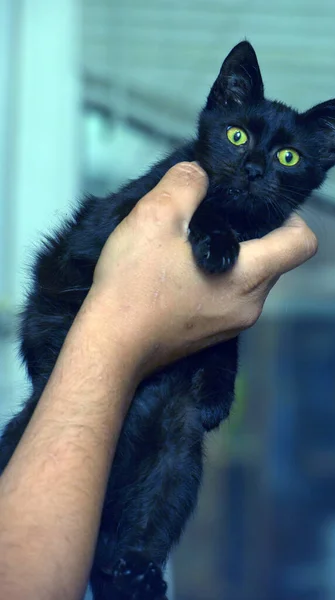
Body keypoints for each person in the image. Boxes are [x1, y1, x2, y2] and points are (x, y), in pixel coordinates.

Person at [0, 162, 317, 600]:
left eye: (288, 158)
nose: (256, 164)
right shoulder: (171, 191)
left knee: (178, 432)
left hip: (133, 405)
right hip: (74, 349)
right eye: (239, 138)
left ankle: (137, 565)